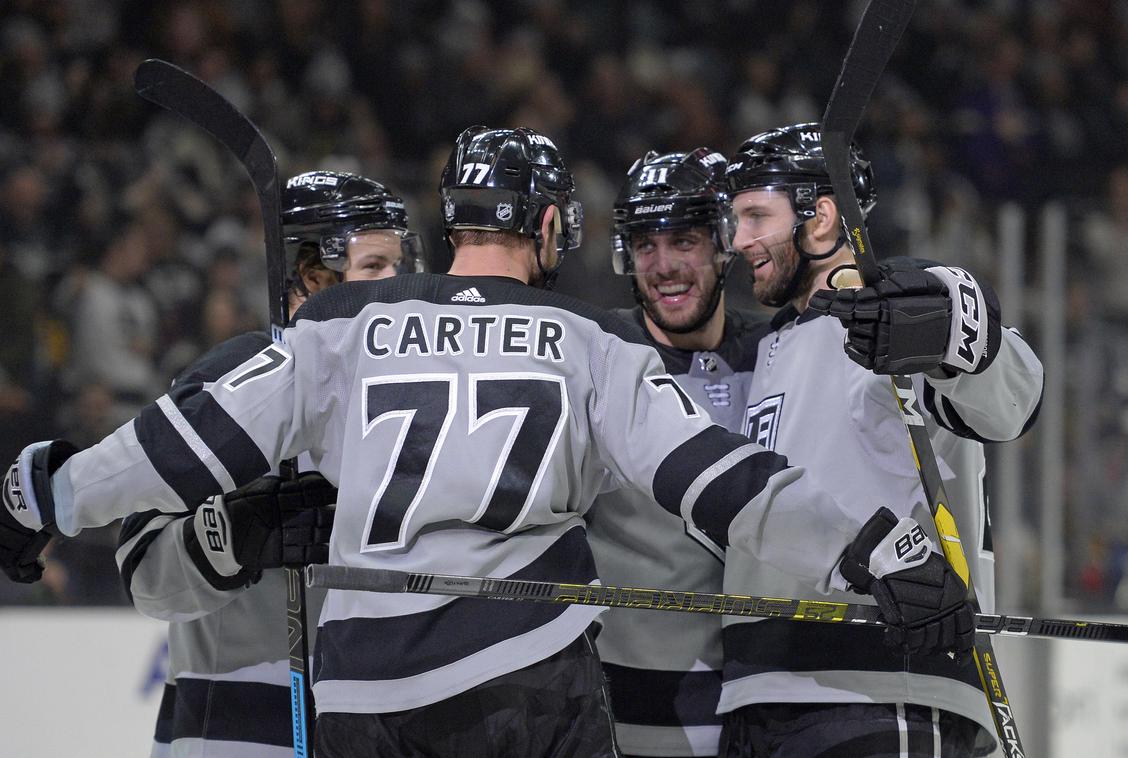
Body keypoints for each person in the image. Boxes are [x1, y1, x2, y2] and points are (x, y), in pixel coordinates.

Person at [1, 126, 972, 758]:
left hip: (357, 701)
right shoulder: (590, 341)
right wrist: (888, 551)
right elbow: (722, 483)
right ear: (549, 225)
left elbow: (174, 447)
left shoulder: (342, 330)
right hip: (515, 678)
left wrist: (45, 496)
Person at [720, 122, 1045, 757]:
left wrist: (953, 325)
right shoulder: (772, 345)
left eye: (756, 215)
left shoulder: (893, 318)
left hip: (882, 686)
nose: (739, 240)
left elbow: (1015, 402)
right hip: (760, 694)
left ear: (820, 219)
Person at [116, 169, 425, 757]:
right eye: (376, 267)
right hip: (235, 734)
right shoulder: (225, 390)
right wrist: (234, 536)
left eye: (399, 264)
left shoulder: (423, 398)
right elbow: (144, 576)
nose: (400, 284)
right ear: (310, 279)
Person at [587, 147, 767, 758]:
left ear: (723, 243)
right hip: (634, 704)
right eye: (645, 246)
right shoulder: (595, 359)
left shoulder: (782, 353)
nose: (663, 266)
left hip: (777, 694)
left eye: (684, 241)